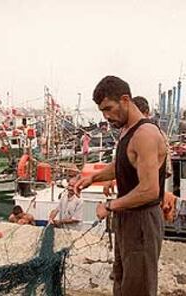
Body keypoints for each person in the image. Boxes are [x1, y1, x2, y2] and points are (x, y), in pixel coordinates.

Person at [75, 76, 167, 296]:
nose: (106, 116)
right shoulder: (128, 130)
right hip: (127, 219)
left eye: (108, 108)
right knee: (122, 281)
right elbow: (122, 163)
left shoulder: (145, 134)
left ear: (125, 100)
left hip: (142, 221)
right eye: (102, 111)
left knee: (138, 288)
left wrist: (110, 206)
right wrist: (93, 178)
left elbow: (149, 190)